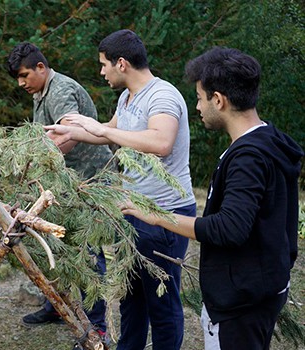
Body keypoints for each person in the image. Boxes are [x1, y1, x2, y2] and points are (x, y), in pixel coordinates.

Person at [122, 47, 302, 350]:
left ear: (218, 100)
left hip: (239, 304)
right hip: (261, 289)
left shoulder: (249, 158)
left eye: (200, 97)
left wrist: (154, 215)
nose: (197, 106)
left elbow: (228, 229)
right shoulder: (270, 140)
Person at [45, 29, 196, 349]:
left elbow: (161, 142)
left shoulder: (162, 96)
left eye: (104, 65)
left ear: (122, 63)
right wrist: (73, 130)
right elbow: (112, 133)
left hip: (164, 215)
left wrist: (98, 128)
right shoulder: (128, 97)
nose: (101, 72)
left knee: (162, 303)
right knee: (130, 297)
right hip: (132, 211)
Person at [5, 42, 111, 338]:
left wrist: (32, 164)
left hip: (89, 182)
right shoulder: (41, 91)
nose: (21, 83)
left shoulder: (61, 90)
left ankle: (97, 327)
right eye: (18, 77)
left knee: (89, 255)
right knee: (57, 246)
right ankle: (57, 305)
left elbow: (69, 135)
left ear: (41, 67)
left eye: (25, 75)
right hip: (64, 183)